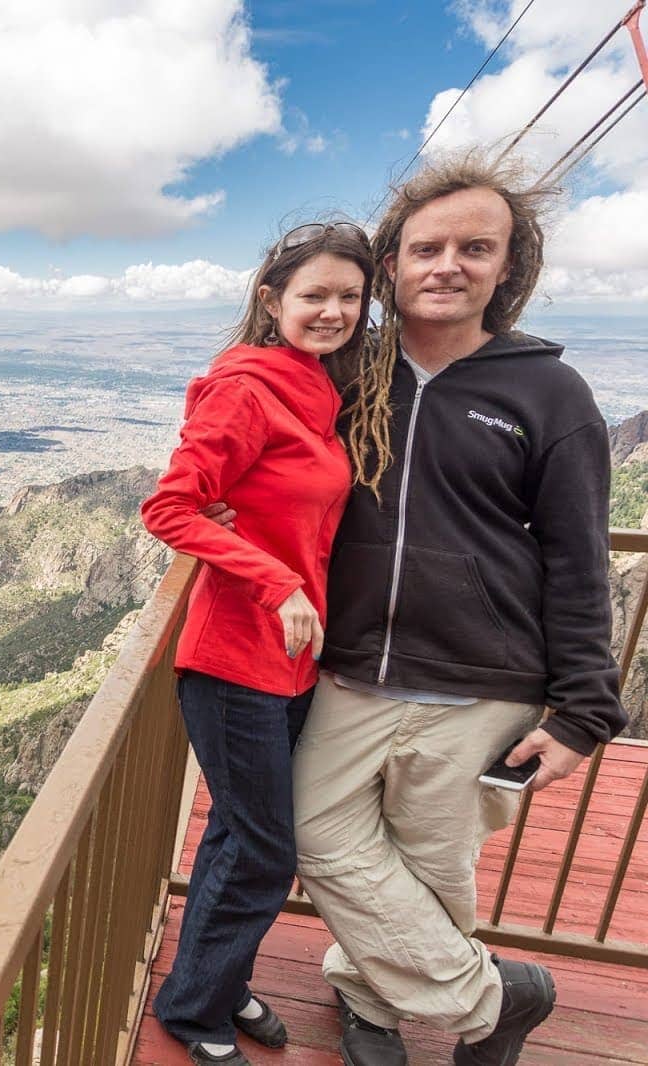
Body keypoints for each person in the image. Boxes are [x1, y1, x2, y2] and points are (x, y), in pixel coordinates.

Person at [210, 152, 626, 1066]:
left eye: (474, 247)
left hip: (483, 681)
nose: (447, 265)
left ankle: (370, 1004)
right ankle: (493, 1001)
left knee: (434, 868)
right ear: (390, 267)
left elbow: (577, 557)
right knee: (315, 835)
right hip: (352, 668)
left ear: (508, 267)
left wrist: (586, 711)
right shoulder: (347, 376)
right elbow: (262, 448)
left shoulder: (549, 394)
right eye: (425, 247)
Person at [140, 220, 377, 1066]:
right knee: (267, 847)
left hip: (290, 660)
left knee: (236, 837)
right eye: (315, 295)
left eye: (350, 297)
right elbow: (168, 506)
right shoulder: (248, 389)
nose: (334, 311)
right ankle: (194, 1011)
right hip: (235, 656)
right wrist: (274, 581)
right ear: (273, 299)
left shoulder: (313, 388)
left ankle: (211, 978)